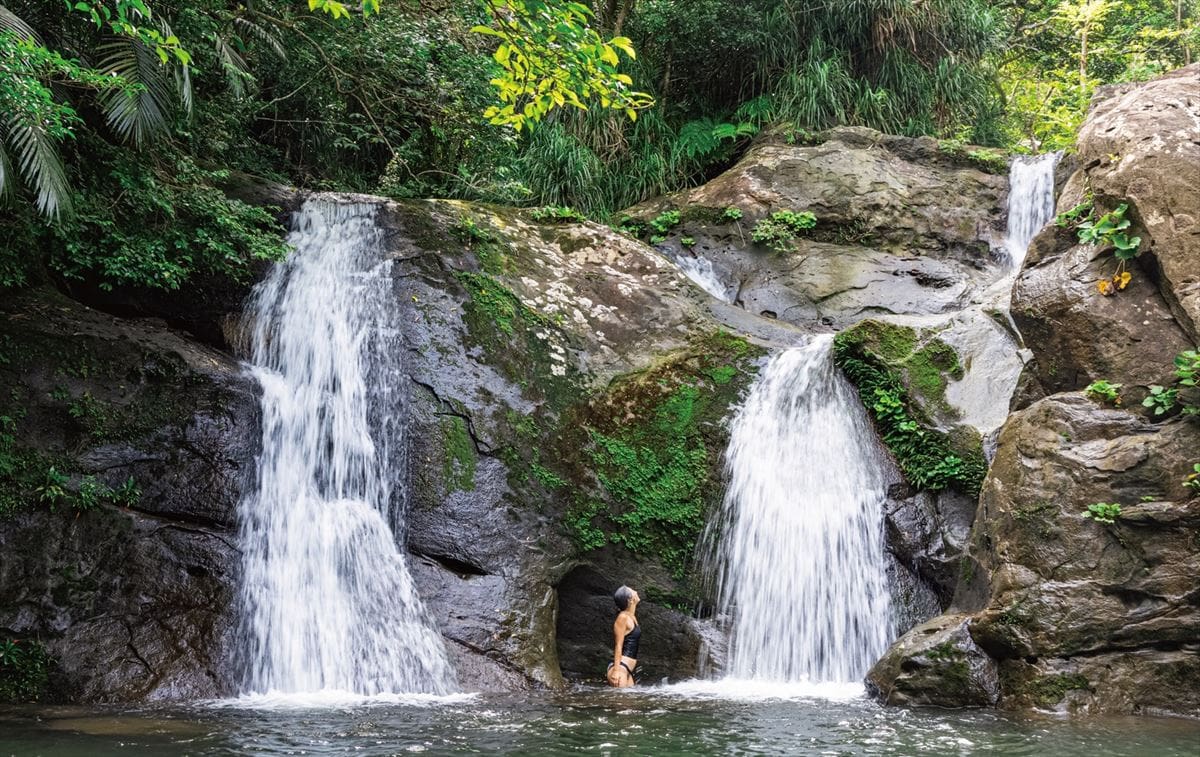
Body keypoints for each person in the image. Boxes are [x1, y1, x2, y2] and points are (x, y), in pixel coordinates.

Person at [606, 585, 640, 687]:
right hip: (620, 668)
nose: (636, 591)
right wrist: (616, 671)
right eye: (633, 591)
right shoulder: (622, 618)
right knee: (620, 702)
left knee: (628, 701)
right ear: (630, 600)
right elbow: (618, 645)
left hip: (627, 670)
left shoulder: (631, 616)